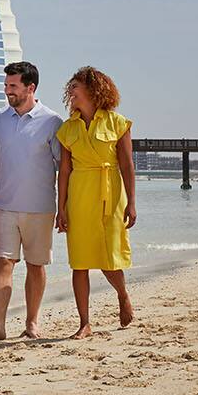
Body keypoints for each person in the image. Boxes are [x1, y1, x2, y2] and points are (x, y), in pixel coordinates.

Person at [0, 62, 63, 341]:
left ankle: (32, 323)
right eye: (6, 86)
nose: (7, 91)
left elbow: (63, 167)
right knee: (3, 262)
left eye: (12, 86)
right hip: (3, 207)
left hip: (40, 208)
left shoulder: (52, 121)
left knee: (36, 265)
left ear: (30, 87)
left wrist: (64, 207)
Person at [54, 66, 137, 340]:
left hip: (110, 194)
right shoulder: (68, 129)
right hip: (80, 195)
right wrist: (61, 208)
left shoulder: (117, 123)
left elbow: (126, 165)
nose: (72, 91)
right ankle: (84, 323)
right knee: (79, 261)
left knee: (109, 257)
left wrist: (131, 202)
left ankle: (123, 295)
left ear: (93, 90)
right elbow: (64, 171)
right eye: (71, 87)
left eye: (76, 86)